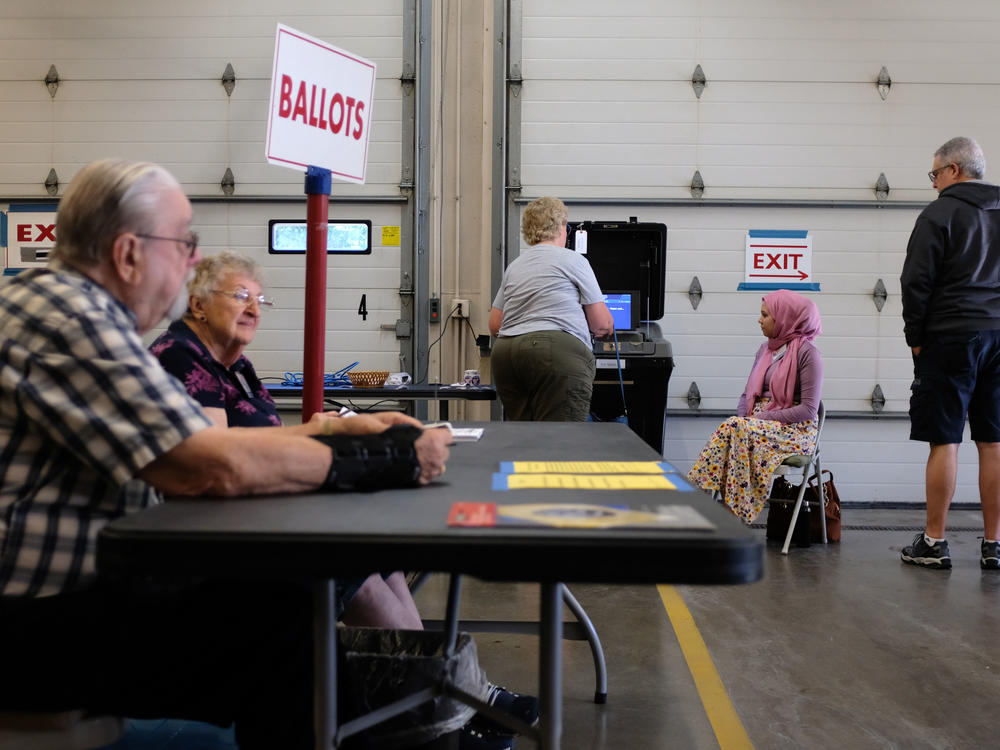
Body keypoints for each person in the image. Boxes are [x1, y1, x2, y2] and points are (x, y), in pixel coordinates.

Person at [0, 158, 451, 750]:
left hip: (62, 606)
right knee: (282, 623)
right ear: (129, 252)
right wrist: (391, 461)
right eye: (184, 242)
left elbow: (210, 439)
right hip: (33, 630)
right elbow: (206, 464)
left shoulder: (69, 309)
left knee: (286, 607)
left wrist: (342, 436)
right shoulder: (70, 317)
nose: (191, 261)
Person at [899, 136, 1000, 571]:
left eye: (935, 174)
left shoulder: (938, 213)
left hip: (950, 336)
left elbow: (914, 283)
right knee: (993, 442)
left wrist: (915, 339)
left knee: (946, 439)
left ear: (954, 170)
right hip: (998, 336)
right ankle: (995, 544)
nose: (934, 183)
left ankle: (935, 541)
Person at [687, 290, 823, 523]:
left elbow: (809, 409)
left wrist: (760, 419)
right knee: (735, 429)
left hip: (793, 430)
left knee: (734, 429)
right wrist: (747, 419)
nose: (759, 320)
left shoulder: (808, 354)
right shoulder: (765, 350)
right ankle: (727, 514)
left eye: (765, 315)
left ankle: (704, 502)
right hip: (755, 427)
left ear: (784, 318)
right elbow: (746, 394)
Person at [489, 196, 614, 421]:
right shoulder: (574, 260)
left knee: (525, 440)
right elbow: (601, 324)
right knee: (560, 443)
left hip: (506, 356)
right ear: (560, 227)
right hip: (555, 352)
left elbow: (495, 325)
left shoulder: (515, 266)